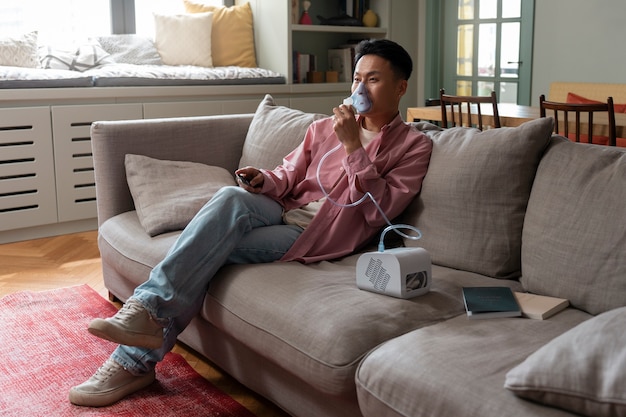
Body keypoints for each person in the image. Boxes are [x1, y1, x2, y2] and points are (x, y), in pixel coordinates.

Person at [69, 38, 432, 407]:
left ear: (400, 87)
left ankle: (132, 359)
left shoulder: (412, 145)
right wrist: (264, 180)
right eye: (356, 79)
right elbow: (289, 173)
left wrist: (354, 147)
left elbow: (378, 210)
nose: (359, 89)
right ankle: (145, 314)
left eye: (372, 80)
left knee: (206, 252)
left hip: (314, 233)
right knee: (231, 196)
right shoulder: (325, 128)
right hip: (281, 207)